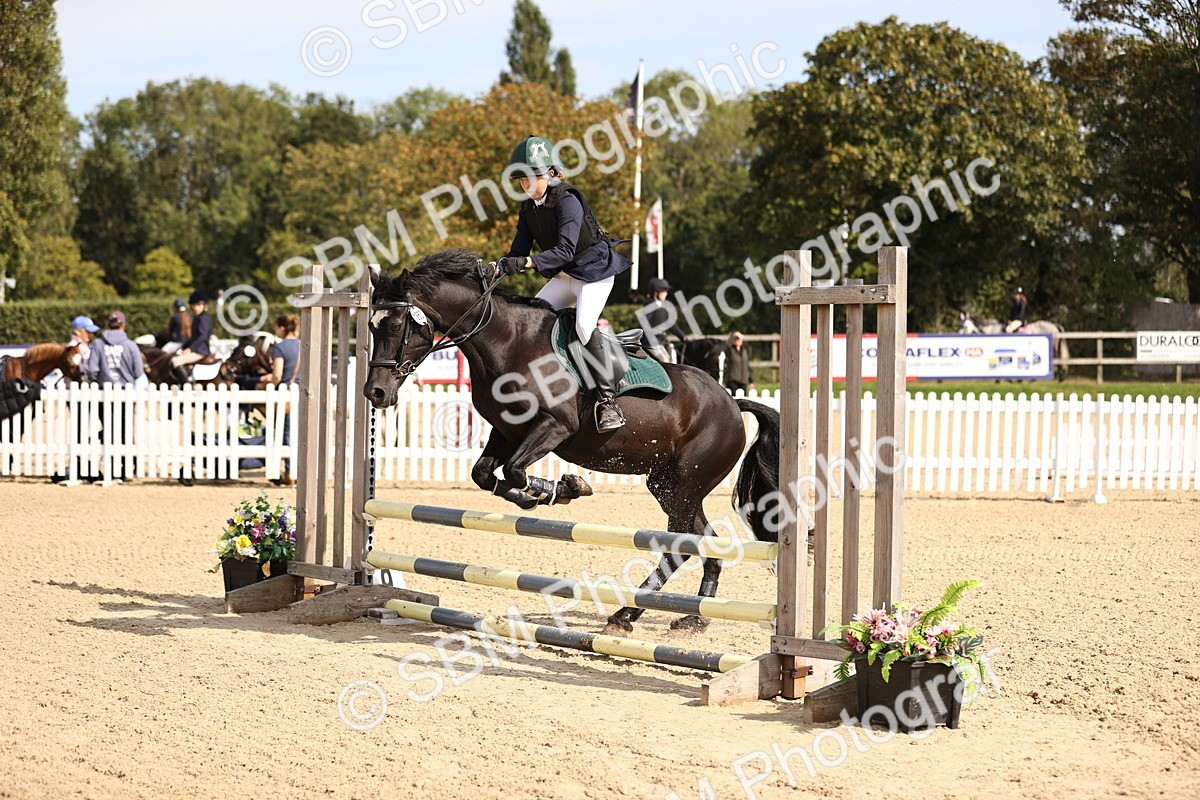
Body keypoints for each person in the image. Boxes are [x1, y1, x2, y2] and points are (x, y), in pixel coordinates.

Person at [497, 135, 633, 432]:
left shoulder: (567, 200)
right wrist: (496, 268)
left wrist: (527, 263)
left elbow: (564, 251)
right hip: (565, 277)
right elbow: (518, 251)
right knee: (535, 319)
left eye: (530, 179)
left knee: (585, 325)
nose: (525, 186)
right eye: (521, 180)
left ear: (549, 173)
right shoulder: (529, 208)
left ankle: (609, 400)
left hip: (594, 273)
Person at [85, 311, 146, 482]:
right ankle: (127, 467)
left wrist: (99, 379)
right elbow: (138, 372)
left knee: (109, 431)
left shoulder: (97, 344)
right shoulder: (130, 345)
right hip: (126, 393)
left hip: (105, 394)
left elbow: (91, 370)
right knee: (126, 431)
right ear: (123, 325)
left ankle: (110, 466)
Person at [640, 277, 688, 363]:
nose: (666, 293)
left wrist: (683, 337)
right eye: (663, 291)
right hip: (651, 343)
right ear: (655, 293)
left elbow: (671, 324)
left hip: (661, 341)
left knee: (673, 358)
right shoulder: (649, 305)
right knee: (665, 361)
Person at [170, 290, 213, 382]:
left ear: (204, 305)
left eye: (199, 305)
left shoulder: (204, 318)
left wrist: (190, 349)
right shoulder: (197, 318)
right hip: (196, 349)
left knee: (176, 361)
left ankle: (188, 386)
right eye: (194, 305)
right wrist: (183, 347)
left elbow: (203, 337)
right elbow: (193, 338)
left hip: (201, 351)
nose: (196, 308)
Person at [67, 315, 100, 387]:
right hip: (75, 388)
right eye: (88, 332)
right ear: (78, 331)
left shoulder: (86, 346)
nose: (91, 335)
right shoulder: (72, 347)